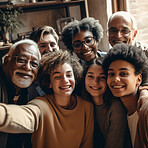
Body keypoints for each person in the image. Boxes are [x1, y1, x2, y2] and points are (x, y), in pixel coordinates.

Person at [0, 50, 94, 148]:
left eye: (69, 75)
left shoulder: (87, 107)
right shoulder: (41, 105)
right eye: (57, 77)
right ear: (49, 83)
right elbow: (17, 116)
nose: (65, 80)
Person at [102, 43, 148, 148]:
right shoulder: (124, 113)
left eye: (123, 74)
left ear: (139, 79)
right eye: (111, 74)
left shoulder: (145, 111)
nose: (115, 79)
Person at [81, 57, 132, 148]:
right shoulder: (83, 103)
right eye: (90, 76)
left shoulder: (116, 108)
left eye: (102, 77)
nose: (95, 82)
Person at [0, 39, 41, 148]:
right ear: (7, 61)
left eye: (34, 64)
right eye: (21, 60)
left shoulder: (34, 91)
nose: (27, 67)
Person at [28, 25, 60, 99]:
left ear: (58, 47)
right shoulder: (30, 75)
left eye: (52, 45)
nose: (49, 49)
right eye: (43, 46)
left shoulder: (69, 70)